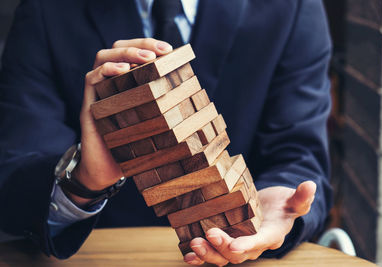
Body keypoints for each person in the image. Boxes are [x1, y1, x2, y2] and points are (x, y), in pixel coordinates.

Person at [0, 0, 332, 265]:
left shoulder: (294, 7)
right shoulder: (46, 10)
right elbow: (13, 177)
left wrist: (275, 208)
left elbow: (299, 152)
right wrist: (84, 179)